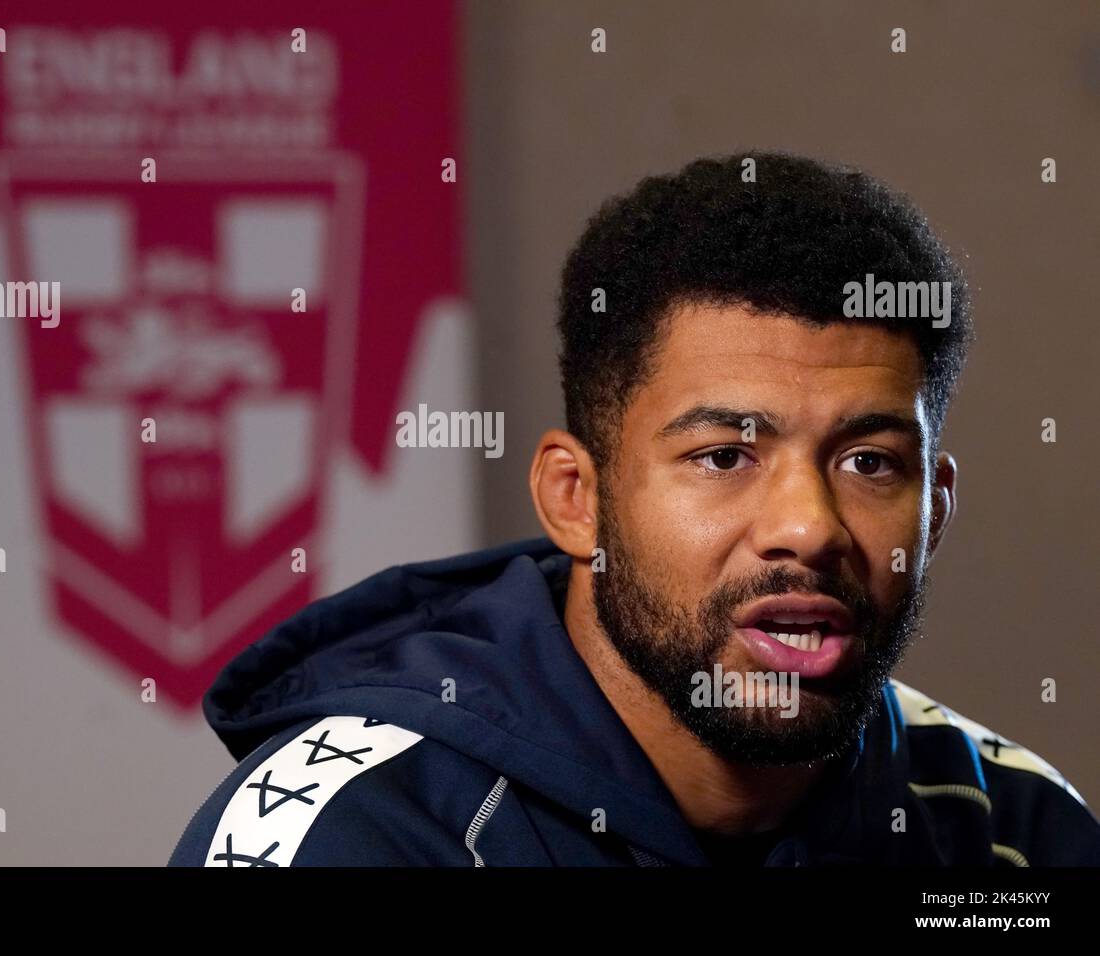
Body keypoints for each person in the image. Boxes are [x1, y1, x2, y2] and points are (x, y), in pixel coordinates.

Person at [170, 152, 1099, 866]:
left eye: (868, 461)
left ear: (934, 510)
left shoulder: (1010, 830)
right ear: (578, 501)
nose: (809, 527)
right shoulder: (361, 833)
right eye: (724, 456)